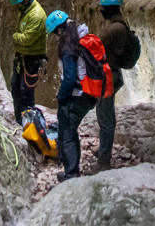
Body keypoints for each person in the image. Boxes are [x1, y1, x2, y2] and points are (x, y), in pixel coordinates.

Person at [46, 10, 98, 182]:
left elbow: (69, 78)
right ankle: (72, 170)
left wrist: (61, 96)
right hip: (89, 92)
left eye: (55, 33)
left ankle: (71, 176)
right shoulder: (79, 35)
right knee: (71, 130)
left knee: (67, 132)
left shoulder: (68, 45)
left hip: (79, 94)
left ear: (59, 30)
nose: (55, 37)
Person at [95, 0, 131, 171]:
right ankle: (104, 152)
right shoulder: (121, 25)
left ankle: (103, 162)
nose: (102, 11)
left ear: (109, 8)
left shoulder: (113, 29)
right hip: (113, 75)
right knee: (105, 114)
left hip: (108, 77)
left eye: (103, 8)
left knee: (105, 118)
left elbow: (96, 48)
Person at [9, 0, 47, 124]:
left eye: (18, 4)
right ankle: (20, 121)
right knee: (15, 88)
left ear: (25, 0)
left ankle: (30, 124)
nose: (16, 7)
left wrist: (15, 36)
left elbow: (27, 39)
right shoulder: (26, 10)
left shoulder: (36, 15)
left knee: (26, 93)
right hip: (23, 57)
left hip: (32, 59)